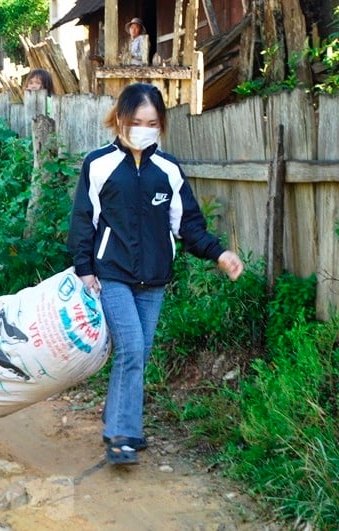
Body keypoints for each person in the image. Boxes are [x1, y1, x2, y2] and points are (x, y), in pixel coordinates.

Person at [67, 83, 244, 466]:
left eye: (152, 122)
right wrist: (84, 269)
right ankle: (123, 435)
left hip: (154, 279)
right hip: (111, 274)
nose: (144, 129)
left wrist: (220, 253)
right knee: (131, 348)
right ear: (119, 120)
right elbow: (83, 220)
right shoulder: (99, 165)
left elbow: (189, 226)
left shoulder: (168, 169)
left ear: (161, 125)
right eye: (136, 121)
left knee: (139, 353)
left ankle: (117, 423)